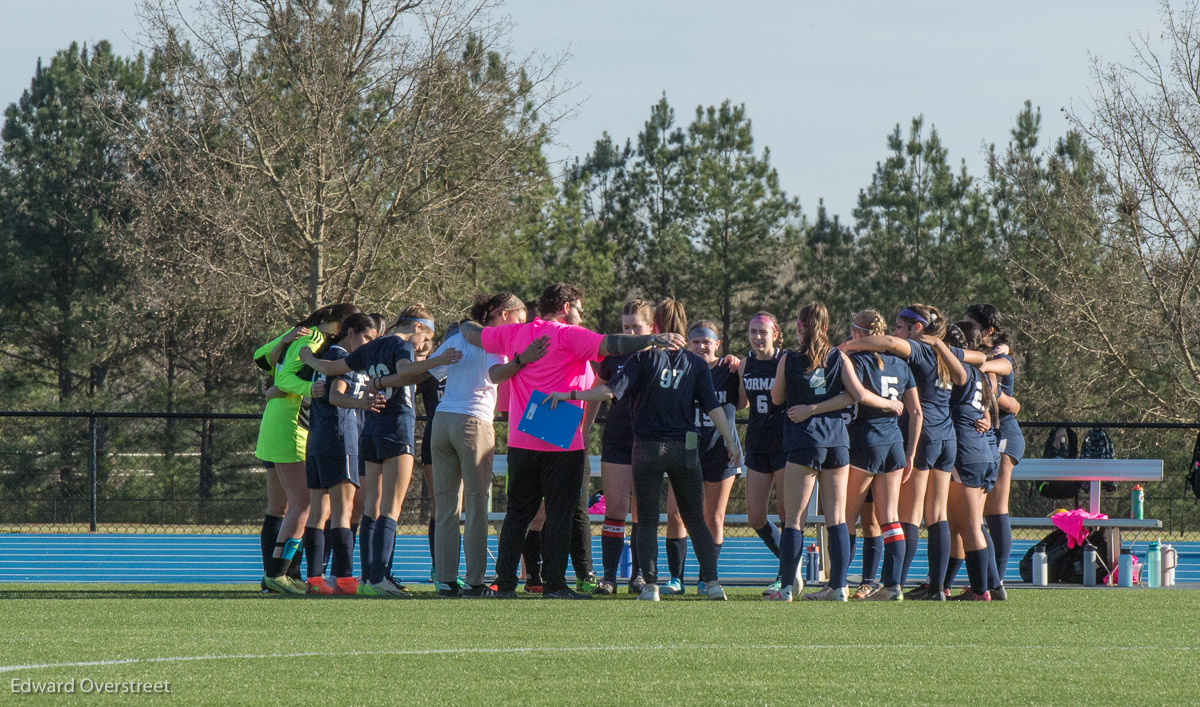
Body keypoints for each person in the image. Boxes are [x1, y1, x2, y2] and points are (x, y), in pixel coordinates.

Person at [456, 282, 685, 599]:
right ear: (566, 307)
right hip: (562, 443)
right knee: (561, 514)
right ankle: (554, 585)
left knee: (518, 513)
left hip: (522, 440)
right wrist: (652, 339)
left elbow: (470, 332)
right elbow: (613, 344)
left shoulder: (515, 333)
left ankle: (506, 584)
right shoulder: (569, 334)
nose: (581, 314)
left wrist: (469, 319)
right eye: (579, 307)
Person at [543, 299, 741, 601]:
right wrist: (731, 441)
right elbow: (714, 408)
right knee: (696, 519)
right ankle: (713, 584)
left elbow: (609, 391)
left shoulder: (643, 359)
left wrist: (570, 394)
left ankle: (650, 586)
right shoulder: (697, 364)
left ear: (656, 327)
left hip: (647, 447)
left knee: (646, 520)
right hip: (685, 449)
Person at [301, 305, 461, 597]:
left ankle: (367, 580)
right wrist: (437, 360)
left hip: (370, 430)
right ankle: (377, 579)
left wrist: (308, 357)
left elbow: (332, 368)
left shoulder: (372, 347)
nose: (424, 346)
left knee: (372, 507)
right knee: (391, 507)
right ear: (418, 328)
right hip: (397, 427)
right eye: (426, 339)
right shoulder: (401, 345)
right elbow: (404, 371)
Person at [766, 302, 903, 602]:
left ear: (799, 327)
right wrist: (891, 404)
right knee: (838, 518)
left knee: (794, 520)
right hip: (838, 444)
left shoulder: (789, 358)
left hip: (803, 442)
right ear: (827, 327)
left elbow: (776, 397)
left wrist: (808, 406)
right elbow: (856, 395)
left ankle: (786, 587)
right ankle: (839, 586)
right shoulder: (838, 356)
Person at [839, 304, 964, 600]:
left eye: (900, 326)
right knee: (935, 516)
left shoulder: (915, 352)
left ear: (916, 329)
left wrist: (846, 345)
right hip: (946, 436)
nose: (895, 333)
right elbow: (964, 373)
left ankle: (891, 582)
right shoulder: (945, 352)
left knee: (902, 516)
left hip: (914, 437)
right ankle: (938, 587)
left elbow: (891, 344)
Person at [428, 293, 548, 598]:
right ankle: (475, 581)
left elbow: (434, 370)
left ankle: (445, 580)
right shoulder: (494, 340)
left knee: (446, 507)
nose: (520, 326)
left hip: (442, 422)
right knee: (477, 505)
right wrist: (521, 361)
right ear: (503, 315)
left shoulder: (459, 337)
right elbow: (496, 374)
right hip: (473, 424)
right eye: (519, 319)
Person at [255, 303, 360, 594]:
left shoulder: (307, 336)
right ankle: (278, 574)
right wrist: (307, 389)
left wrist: (285, 338)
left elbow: (260, 357)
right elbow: (285, 377)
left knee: (279, 508)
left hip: (275, 423)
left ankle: (276, 578)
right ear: (338, 324)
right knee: (304, 504)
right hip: (290, 425)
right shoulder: (313, 339)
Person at [842, 309, 923, 602]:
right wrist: (911, 453)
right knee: (889, 519)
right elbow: (916, 411)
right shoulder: (901, 365)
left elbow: (851, 396)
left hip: (864, 441)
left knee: (846, 518)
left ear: (857, 333)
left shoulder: (856, 360)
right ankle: (891, 585)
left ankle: (838, 584)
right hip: (894, 444)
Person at [300, 313, 383, 595]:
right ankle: (345, 577)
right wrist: (362, 403)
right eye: (366, 337)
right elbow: (336, 395)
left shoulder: (328, 356)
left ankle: (314, 578)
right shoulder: (341, 358)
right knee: (342, 511)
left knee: (319, 511)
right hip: (339, 438)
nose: (368, 344)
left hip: (318, 439)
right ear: (350, 333)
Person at [591, 300, 653, 595]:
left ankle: (639, 575)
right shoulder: (613, 356)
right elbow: (596, 391)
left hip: (647, 440)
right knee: (615, 508)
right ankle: (609, 577)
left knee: (642, 511)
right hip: (616, 439)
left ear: (651, 328)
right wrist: (585, 426)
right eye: (625, 326)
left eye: (635, 327)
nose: (629, 332)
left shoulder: (659, 356)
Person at [964, 304, 1022, 601]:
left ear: (987, 331)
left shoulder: (999, 357)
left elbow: (1002, 373)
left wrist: (979, 362)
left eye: (971, 325)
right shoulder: (985, 354)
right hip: (986, 439)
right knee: (979, 514)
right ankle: (986, 580)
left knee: (995, 510)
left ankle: (995, 581)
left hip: (1003, 437)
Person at [683, 320, 744, 596]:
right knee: (680, 514)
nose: (700, 346)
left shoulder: (728, 369)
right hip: (687, 448)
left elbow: (744, 403)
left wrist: (741, 368)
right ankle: (675, 577)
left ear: (717, 344)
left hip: (721, 449)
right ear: (688, 344)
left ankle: (707, 577)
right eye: (695, 341)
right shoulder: (682, 367)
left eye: (706, 341)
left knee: (714, 517)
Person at [738, 312, 789, 595]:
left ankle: (786, 576)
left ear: (775, 335)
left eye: (763, 332)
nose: (757, 337)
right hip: (757, 444)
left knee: (785, 514)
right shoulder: (745, 364)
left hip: (784, 445)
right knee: (756, 517)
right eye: (753, 331)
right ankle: (789, 561)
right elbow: (741, 404)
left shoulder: (785, 361)